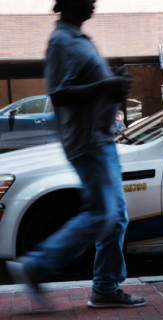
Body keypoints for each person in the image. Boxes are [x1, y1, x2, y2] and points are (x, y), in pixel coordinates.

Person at [6, 0, 147, 308]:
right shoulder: (60, 42)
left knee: (116, 218)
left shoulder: (79, 38)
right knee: (102, 215)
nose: (94, 2)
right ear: (69, 2)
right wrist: (107, 84)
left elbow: (87, 85)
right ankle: (34, 266)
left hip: (101, 139)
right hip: (88, 144)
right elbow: (58, 93)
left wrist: (111, 87)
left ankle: (105, 288)